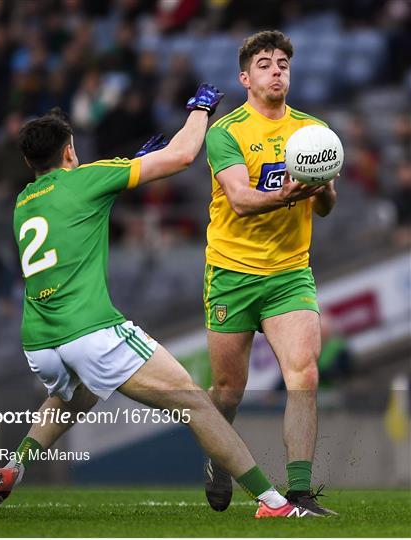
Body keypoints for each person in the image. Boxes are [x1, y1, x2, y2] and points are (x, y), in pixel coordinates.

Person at [0, 85, 319, 520]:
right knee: (196, 403)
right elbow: (184, 154)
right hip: (90, 331)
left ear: (27, 163)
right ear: (70, 150)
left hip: (40, 343)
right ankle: (274, 503)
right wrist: (200, 110)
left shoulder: (23, 203)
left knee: (80, 393)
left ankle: (15, 464)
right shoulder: (88, 178)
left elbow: (82, 203)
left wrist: (128, 164)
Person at [202, 30, 338, 516]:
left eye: (283, 62)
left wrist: (318, 187)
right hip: (232, 273)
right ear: (245, 77)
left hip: (288, 274)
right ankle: (220, 457)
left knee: (303, 373)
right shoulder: (226, 132)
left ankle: (298, 494)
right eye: (264, 63)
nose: (276, 69)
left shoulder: (313, 132)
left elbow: (325, 207)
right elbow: (239, 200)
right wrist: (287, 194)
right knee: (228, 390)